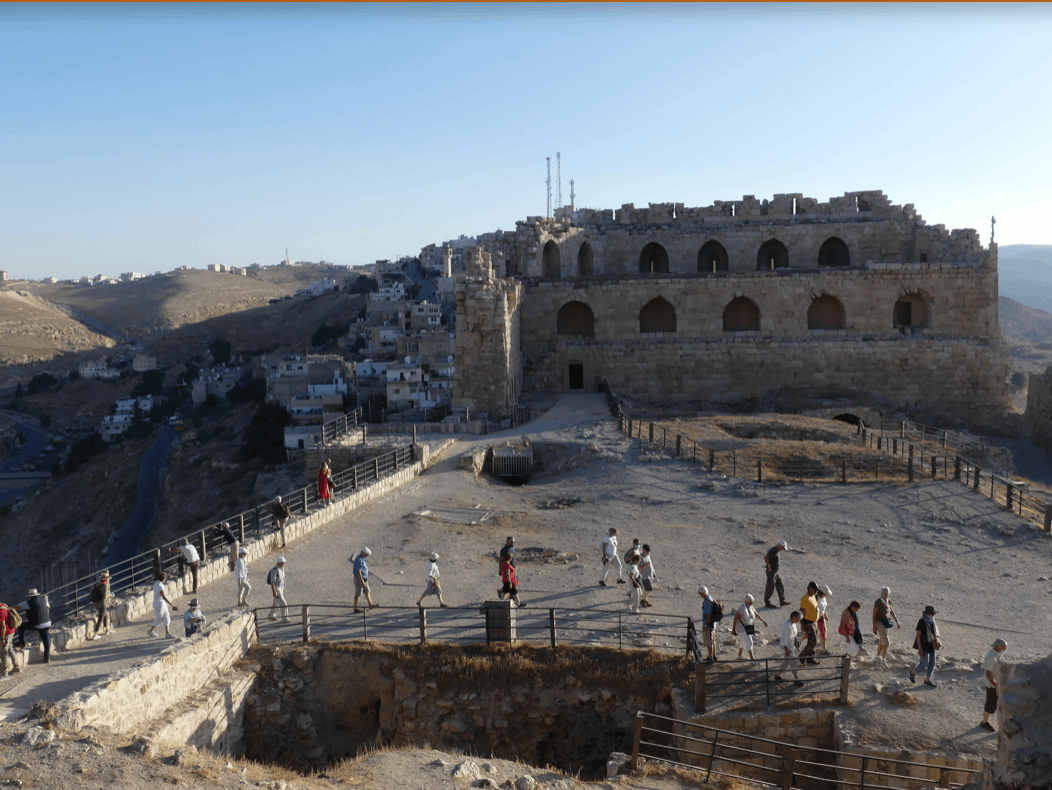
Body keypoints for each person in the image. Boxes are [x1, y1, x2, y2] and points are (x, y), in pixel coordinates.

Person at [15, 589, 52, 663]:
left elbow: (17, 607)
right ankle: (47, 657)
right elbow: (48, 606)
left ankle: (22, 642)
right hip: (47, 622)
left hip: (37, 624)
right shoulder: (43, 599)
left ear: (30, 596)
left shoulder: (28, 603)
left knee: (21, 626)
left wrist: (8, 608)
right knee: (46, 639)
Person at [981, 639, 1008, 732]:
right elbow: (989, 673)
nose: (1005, 649)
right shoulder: (991, 657)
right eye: (1004, 648)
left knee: (993, 703)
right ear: (998, 647)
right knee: (990, 704)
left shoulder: (995, 654)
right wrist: (996, 685)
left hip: (994, 683)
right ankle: (984, 722)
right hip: (991, 685)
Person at [910, 605, 940, 687]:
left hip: (931, 644)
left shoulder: (932, 621)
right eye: (932, 613)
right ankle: (913, 672)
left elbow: (935, 633)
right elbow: (918, 636)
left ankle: (927, 680)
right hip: (924, 645)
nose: (933, 615)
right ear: (928, 613)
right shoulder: (922, 621)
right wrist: (920, 649)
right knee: (924, 663)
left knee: (932, 662)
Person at [872, 586, 901, 668]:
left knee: (882, 641)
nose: (886, 595)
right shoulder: (878, 602)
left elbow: (891, 611)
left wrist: (896, 621)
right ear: (881, 594)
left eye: (887, 594)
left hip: (886, 623)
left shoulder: (888, 601)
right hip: (879, 623)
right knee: (886, 642)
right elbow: (874, 615)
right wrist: (874, 626)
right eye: (884, 594)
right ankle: (883, 659)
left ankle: (877, 657)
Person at [731, 594, 768, 659]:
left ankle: (739, 655)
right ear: (746, 602)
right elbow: (735, 618)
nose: (751, 604)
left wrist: (763, 621)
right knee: (750, 641)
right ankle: (752, 658)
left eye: (752, 603)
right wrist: (733, 629)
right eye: (750, 603)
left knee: (743, 640)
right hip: (740, 627)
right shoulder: (741, 608)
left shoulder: (751, 607)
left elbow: (756, 615)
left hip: (747, 627)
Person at [774, 610, 804, 686]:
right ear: (793, 617)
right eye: (798, 619)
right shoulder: (787, 625)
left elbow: (794, 635)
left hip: (791, 648)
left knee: (785, 663)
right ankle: (796, 680)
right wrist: (786, 650)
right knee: (794, 664)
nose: (798, 621)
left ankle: (777, 675)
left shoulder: (792, 624)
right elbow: (784, 638)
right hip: (788, 649)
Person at [146, 573, 178, 639]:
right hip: (159, 604)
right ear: (163, 579)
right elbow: (164, 597)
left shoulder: (156, 583)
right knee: (159, 618)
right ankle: (150, 631)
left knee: (167, 617)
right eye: (165, 578)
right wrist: (173, 605)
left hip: (162, 604)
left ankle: (167, 633)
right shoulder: (160, 586)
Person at [798, 581, 820, 664]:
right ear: (809, 589)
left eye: (816, 590)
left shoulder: (813, 596)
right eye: (814, 589)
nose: (815, 591)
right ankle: (802, 656)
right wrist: (802, 624)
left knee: (811, 642)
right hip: (808, 623)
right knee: (813, 642)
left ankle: (810, 658)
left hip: (814, 622)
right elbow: (801, 611)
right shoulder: (805, 598)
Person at [763, 541, 790, 608]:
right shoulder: (774, 550)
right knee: (770, 587)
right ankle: (767, 602)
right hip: (771, 572)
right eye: (783, 548)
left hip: (775, 572)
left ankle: (782, 600)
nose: (783, 549)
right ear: (780, 546)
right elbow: (766, 557)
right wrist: (769, 566)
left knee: (780, 584)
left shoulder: (776, 550)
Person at [87, 570, 112, 639]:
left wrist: (96, 598)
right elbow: (104, 597)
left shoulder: (95, 585)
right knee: (101, 618)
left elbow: (89, 594)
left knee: (105, 615)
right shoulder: (104, 586)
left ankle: (107, 629)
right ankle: (95, 634)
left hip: (96, 604)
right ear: (106, 579)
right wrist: (110, 595)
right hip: (102, 604)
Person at [838, 600, 863, 667]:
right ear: (852, 607)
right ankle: (844, 660)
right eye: (856, 608)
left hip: (851, 633)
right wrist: (847, 637)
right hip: (844, 634)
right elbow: (842, 625)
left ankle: (848, 662)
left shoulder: (852, 612)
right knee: (854, 648)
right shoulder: (846, 613)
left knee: (853, 647)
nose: (857, 610)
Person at [353, 548, 377, 612]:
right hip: (360, 579)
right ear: (363, 553)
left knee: (367, 591)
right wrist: (362, 581)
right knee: (358, 594)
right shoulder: (359, 559)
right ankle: (355, 608)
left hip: (364, 579)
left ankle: (370, 604)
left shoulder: (362, 558)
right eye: (367, 555)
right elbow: (358, 571)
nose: (367, 556)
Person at [698, 586, 717, 663]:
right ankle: (713, 655)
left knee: (709, 642)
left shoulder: (706, 602)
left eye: (700, 593)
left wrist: (706, 625)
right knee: (712, 640)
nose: (699, 595)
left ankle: (710, 658)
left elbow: (708, 614)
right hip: (713, 624)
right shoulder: (711, 598)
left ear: (702, 593)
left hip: (709, 625)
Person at [0, 600, 19, 678]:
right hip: (11, 631)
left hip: (6, 633)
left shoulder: (1, 612)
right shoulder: (4, 605)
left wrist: (3, 639)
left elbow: (3, 626)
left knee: (3, 653)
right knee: (10, 648)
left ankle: (5, 674)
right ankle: (17, 666)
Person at [267, 556, 288, 621]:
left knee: (276, 603)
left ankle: (271, 615)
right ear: (278, 563)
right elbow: (272, 582)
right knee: (283, 603)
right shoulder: (274, 570)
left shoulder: (281, 569)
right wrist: (274, 591)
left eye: (283, 562)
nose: (283, 563)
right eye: (282, 562)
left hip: (281, 588)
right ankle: (284, 619)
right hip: (277, 589)